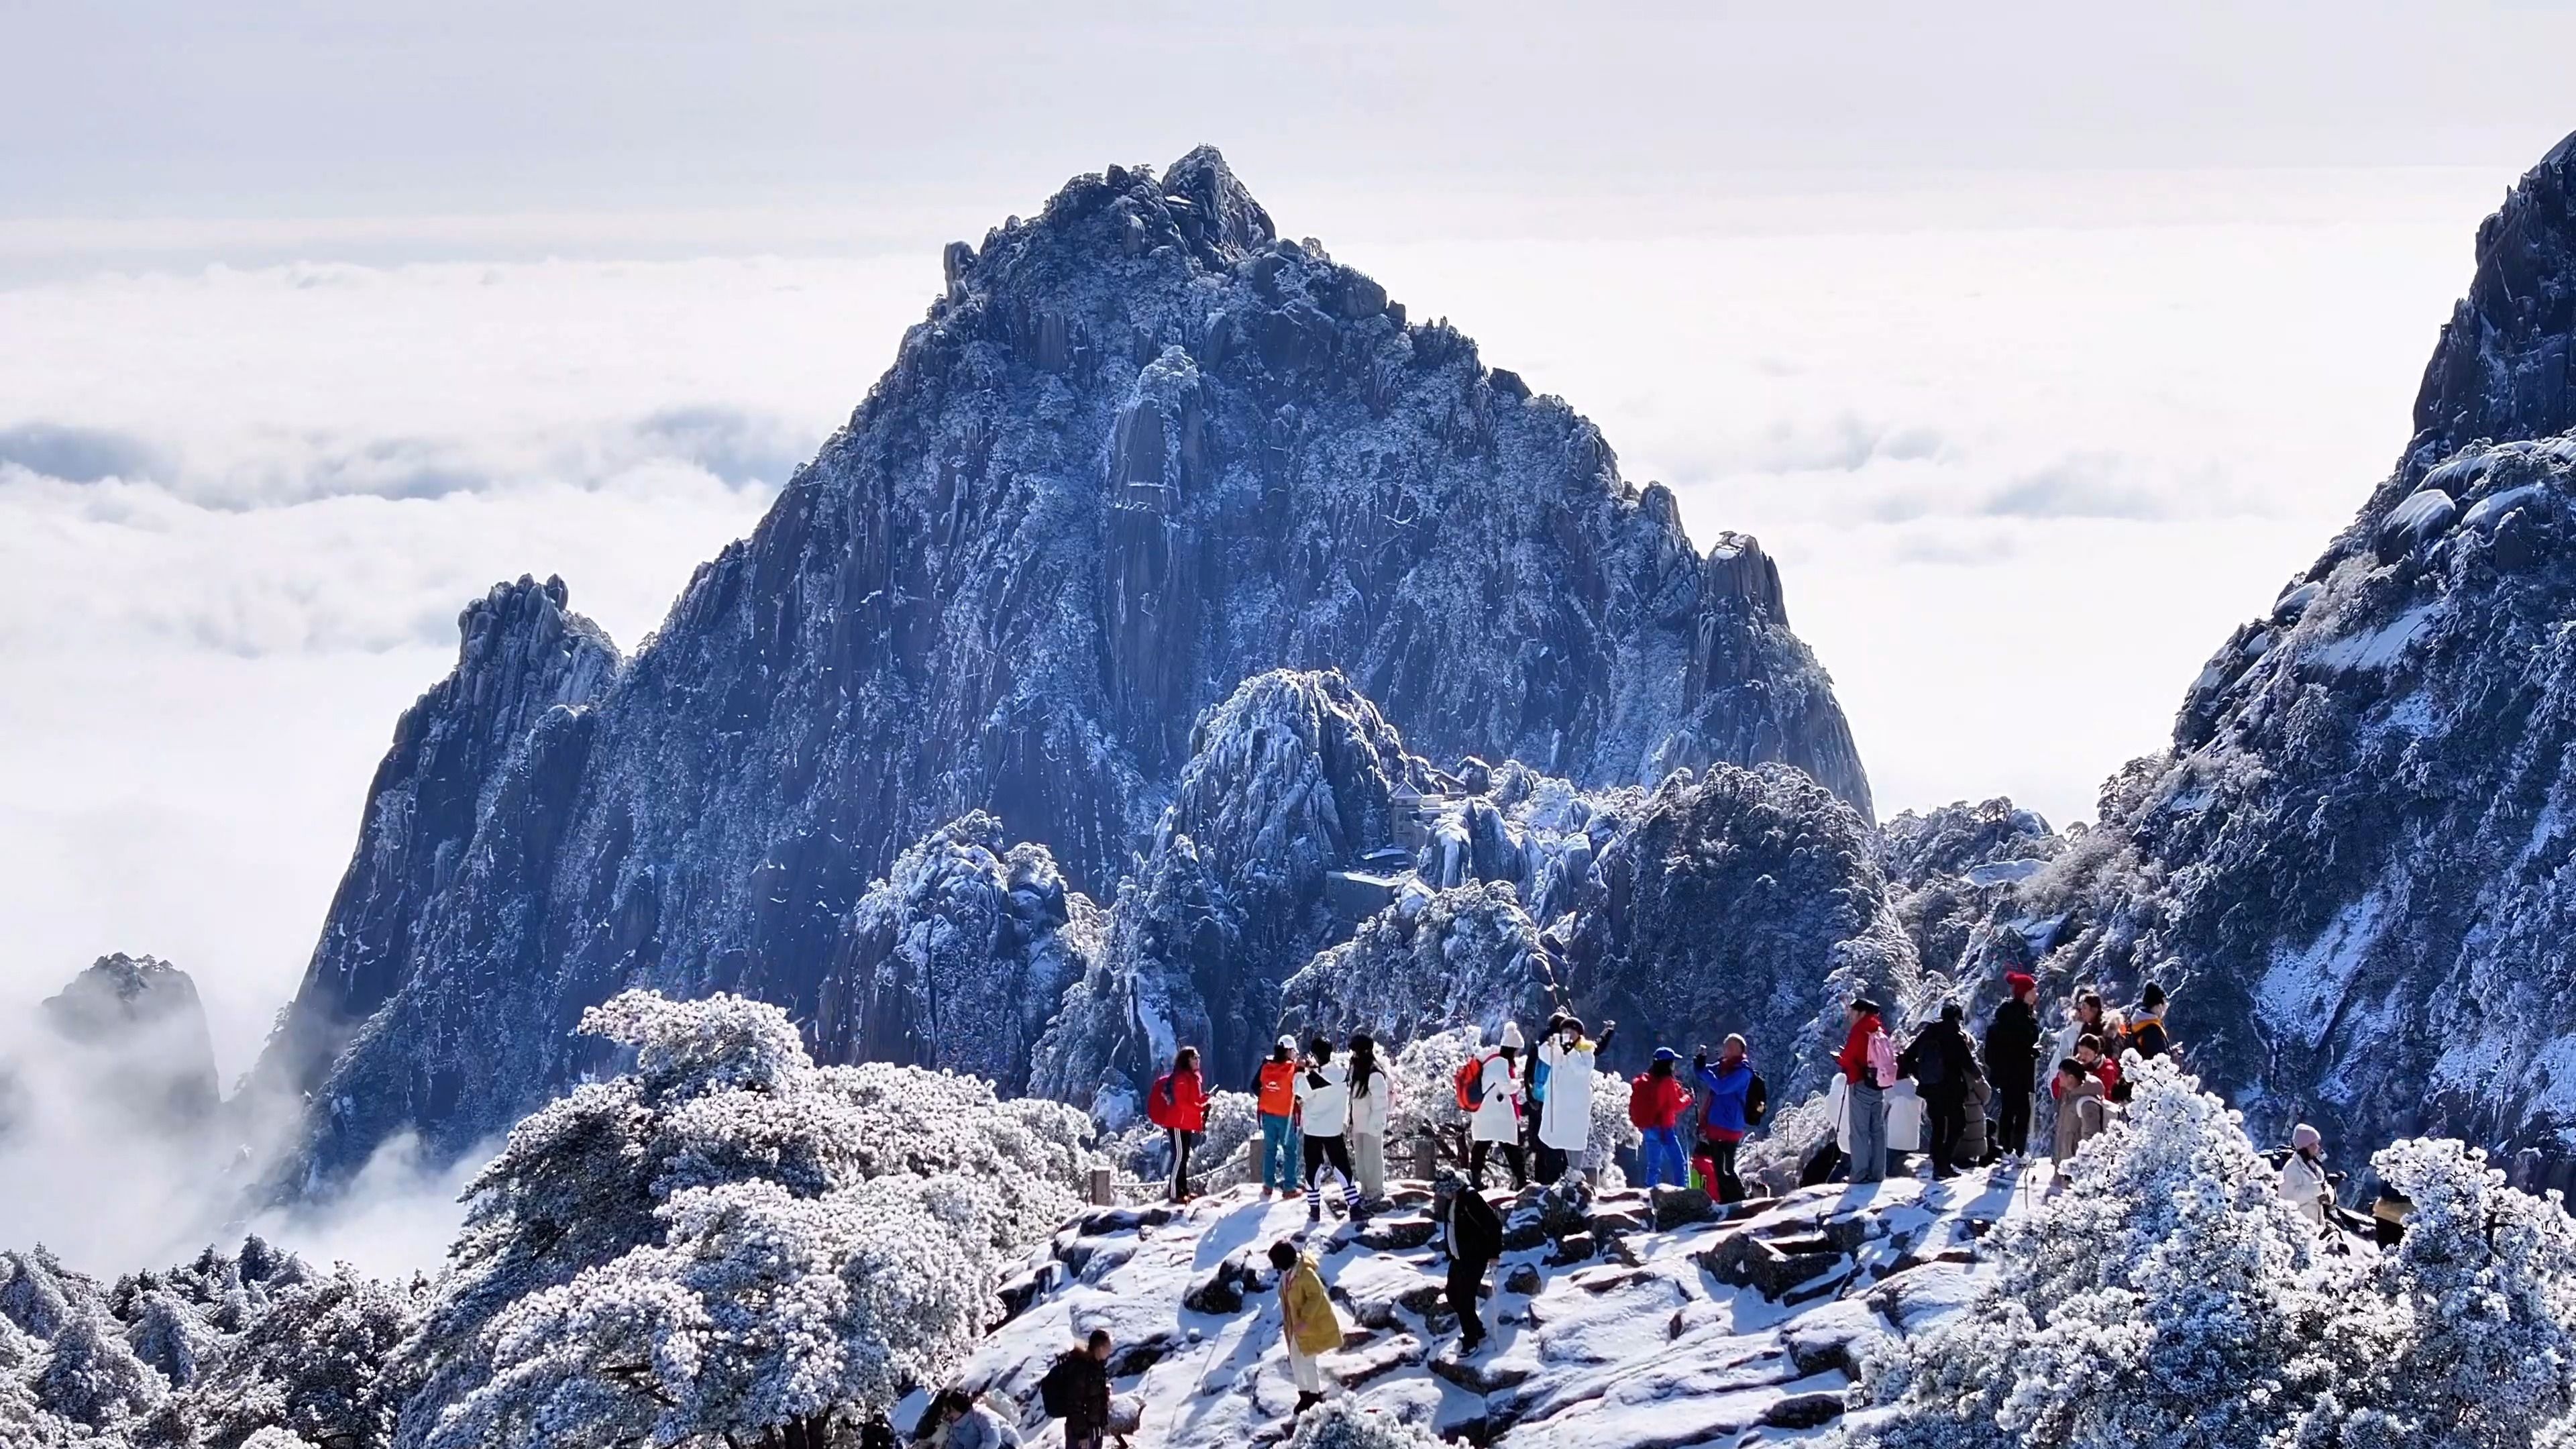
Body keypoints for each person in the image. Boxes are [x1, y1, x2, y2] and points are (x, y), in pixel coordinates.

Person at [1900, 1004, 1980, 1179]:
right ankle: (1945, 1162)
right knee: (1957, 1126)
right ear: (1957, 1018)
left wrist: (1919, 1074)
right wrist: (1979, 1076)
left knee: (1937, 1128)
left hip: (1930, 1088)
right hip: (1952, 1089)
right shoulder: (1955, 1036)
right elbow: (1968, 1063)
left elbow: (1907, 1056)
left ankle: (1939, 1167)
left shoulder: (1927, 1033)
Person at [1536, 1016, 1611, 1184]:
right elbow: (1543, 1054)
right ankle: (1552, 1183)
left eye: (1572, 1031)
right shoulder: (1557, 1048)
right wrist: (1547, 1037)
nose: (1568, 1034)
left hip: (1575, 1106)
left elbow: (1582, 1070)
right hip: (1557, 1106)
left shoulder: (1586, 1051)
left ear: (1579, 1034)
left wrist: (1570, 1052)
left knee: (1574, 1143)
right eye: (1565, 1031)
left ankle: (1575, 1179)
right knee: (1553, 1145)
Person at [1271, 1240, 1342, 1416]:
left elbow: (1316, 1296)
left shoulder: (1306, 1274)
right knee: (1295, 1359)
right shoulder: (1288, 1274)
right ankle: (1304, 1395)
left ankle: (1315, 1397)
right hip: (1294, 1326)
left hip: (1309, 1326)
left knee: (1308, 1361)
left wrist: (1305, 1319)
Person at [1434, 1173, 1503, 1352]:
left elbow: (1494, 1224)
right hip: (1458, 1257)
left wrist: (1494, 1253)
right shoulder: (1452, 1200)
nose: (1442, 1195)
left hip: (1474, 1257)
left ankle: (1471, 1340)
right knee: (1452, 1294)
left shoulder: (1470, 1198)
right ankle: (1477, 1329)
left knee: (1465, 1298)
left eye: (1444, 1190)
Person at [1297, 1036, 1361, 1223]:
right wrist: (1314, 1069)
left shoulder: (1311, 1079)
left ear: (1314, 1055)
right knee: (1341, 1166)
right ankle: (1354, 1205)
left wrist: (1301, 1070)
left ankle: (1314, 1209)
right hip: (1334, 1128)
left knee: (1313, 1168)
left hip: (1314, 1130)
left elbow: (1299, 1091)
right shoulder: (1341, 1074)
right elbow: (1325, 1078)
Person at [1984, 971, 2042, 1159]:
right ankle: (2017, 1150)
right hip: (2018, 1071)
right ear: (2024, 993)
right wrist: (2029, 1052)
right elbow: (2023, 1042)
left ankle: (2007, 1148)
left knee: (2009, 1109)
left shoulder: (2006, 1015)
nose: (2036, 994)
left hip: (2007, 1072)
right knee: (2022, 1111)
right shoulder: (2021, 1017)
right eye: (2033, 991)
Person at [1692, 1036, 1756, 1202]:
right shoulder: (1723, 1066)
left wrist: (1704, 1071)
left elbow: (1721, 1087)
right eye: (1726, 1046)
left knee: (1725, 1169)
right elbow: (1703, 1073)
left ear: (1742, 1050)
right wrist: (1699, 1063)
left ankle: (1739, 1201)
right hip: (1716, 1125)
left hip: (1729, 1126)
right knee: (1720, 1169)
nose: (1728, 1050)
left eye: (1732, 1047)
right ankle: (1728, 1202)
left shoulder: (1743, 1072)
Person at [1837, 999, 1894, 1183]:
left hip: (1860, 1084)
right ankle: (1878, 1173)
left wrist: (1840, 1059)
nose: (1850, 1016)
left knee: (1859, 1132)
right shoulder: (1878, 1030)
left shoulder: (1859, 1031)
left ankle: (1859, 1174)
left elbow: (1848, 1058)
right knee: (1877, 1130)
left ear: (1862, 1013)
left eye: (1853, 1012)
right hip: (1878, 1084)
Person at [1468, 1024, 1528, 1189]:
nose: (1518, 1054)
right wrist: (1519, 1083)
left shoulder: (1491, 1059)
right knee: (1511, 1147)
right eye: (1517, 1050)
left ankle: (1476, 1181)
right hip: (1497, 1113)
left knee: (1482, 1147)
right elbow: (1506, 1087)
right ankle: (1521, 1181)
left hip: (1487, 1112)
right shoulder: (1500, 1063)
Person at [1039, 1330, 1120, 1449]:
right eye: (1108, 1347)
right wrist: (1082, 1434)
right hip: (1081, 1434)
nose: (1110, 1351)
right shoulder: (1081, 1369)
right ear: (1100, 1348)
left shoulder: (1098, 1367)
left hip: (1095, 1430)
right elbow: (1074, 1403)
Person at [1146, 1047, 1208, 1202]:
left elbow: (1193, 1099)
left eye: (1198, 1057)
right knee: (1179, 1157)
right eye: (1194, 1057)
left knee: (1184, 1156)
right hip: (1178, 1123)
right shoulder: (1181, 1078)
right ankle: (1174, 1193)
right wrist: (1200, 1108)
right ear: (1187, 1060)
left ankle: (1183, 1191)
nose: (1198, 1060)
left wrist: (1204, 1099)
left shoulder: (1192, 1078)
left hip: (1185, 1123)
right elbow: (1181, 1103)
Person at [1627, 1048, 1691, 1192]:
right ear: (1668, 1064)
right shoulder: (1667, 1081)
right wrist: (1688, 1098)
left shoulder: (1647, 1080)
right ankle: (1682, 1193)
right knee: (1679, 1163)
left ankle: (1648, 1193)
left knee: (1653, 1165)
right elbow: (1676, 1105)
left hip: (1649, 1127)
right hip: (1664, 1128)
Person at [1348, 1032, 1392, 1202]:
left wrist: (1376, 1125)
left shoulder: (1374, 1074)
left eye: (1356, 1052)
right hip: (1359, 1123)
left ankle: (1375, 1190)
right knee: (1361, 1159)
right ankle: (1365, 1188)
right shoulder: (1359, 1071)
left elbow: (1381, 1103)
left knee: (1372, 1158)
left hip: (1371, 1124)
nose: (1354, 1056)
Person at [1256, 1036, 1302, 1200]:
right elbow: (1300, 1090)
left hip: (1268, 1114)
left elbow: (1257, 1086)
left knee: (1270, 1149)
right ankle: (1290, 1187)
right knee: (1290, 1151)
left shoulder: (1267, 1066)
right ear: (1289, 1051)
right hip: (1285, 1115)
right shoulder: (1293, 1068)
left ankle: (1268, 1184)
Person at [2050, 1057, 2106, 1165]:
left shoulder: (2087, 1103)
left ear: (2071, 1078)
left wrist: (2082, 1164)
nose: (2058, 1078)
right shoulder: (2068, 1097)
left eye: (2061, 1075)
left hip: (2077, 1168)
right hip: (2067, 1166)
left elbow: (2091, 1138)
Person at [920, 1389, 1020, 1449]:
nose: (947, 1414)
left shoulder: (982, 1415)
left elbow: (993, 1440)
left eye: (949, 1410)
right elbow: (955, 1445)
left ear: (958, 1408)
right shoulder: (956, 1426)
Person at [2280, 1123, 2331, 1227]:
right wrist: (2318, 1189)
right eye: (2313, 1144)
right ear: (2303, 1147)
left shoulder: (2315, 1167)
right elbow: (2288, 1199)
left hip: (2316, 1226)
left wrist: (2327, 1196)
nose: (2317, 1147)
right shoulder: (2292, 1168)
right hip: (2299, 1228)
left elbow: (2324, 1187)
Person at [2128, 983, 2171, 1060]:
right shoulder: (2152, 1031)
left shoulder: (2137, 1022)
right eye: (2165, 1005)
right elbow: (2160, 1062)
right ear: (2159, 1006)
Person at [2073, 1034, 2121, 1099]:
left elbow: (2106, 1097)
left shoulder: (2107, 1070)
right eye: (2080, 1053)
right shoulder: (2075, 1065)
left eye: (2087, 1053)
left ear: (2096, 1053)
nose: (2083, 1057)